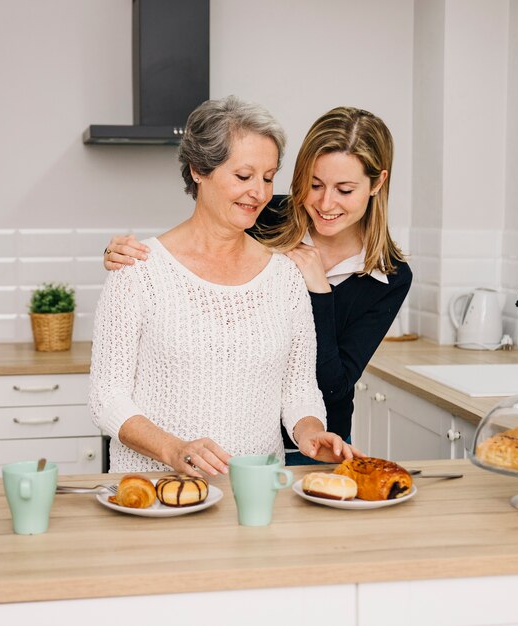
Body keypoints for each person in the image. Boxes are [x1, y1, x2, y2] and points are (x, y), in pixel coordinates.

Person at [102, 105, 412, 465]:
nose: (326, 203)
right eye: (314, 185)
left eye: (344, 189)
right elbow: (194, 245)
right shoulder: (268, 216)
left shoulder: (384, 276)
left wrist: (319, 293)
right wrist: (119, 257)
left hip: (305, 442)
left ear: (377, 183)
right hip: (172, 464)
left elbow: (319, 386)